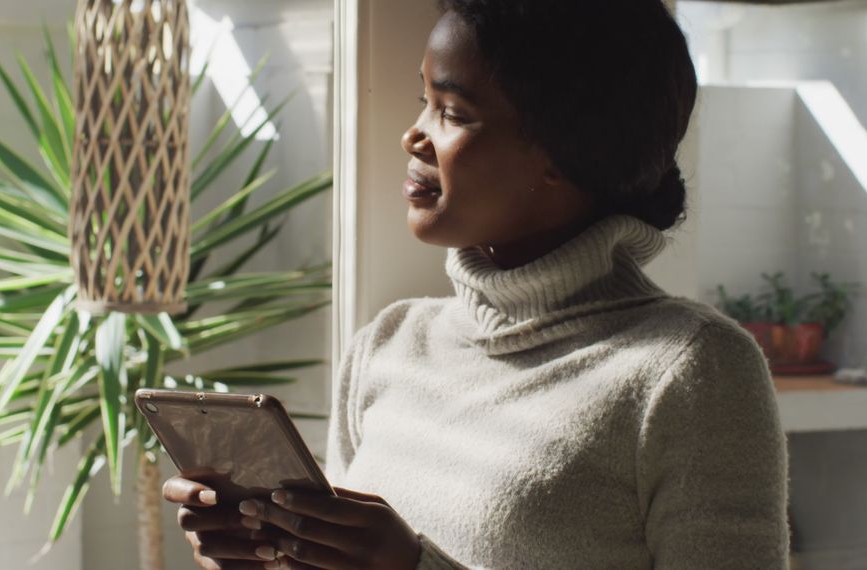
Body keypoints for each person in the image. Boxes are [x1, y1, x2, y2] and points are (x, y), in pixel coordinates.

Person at [162, 0, 790, 568]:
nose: (413, 135)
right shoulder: (389, 341)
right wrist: (260, 557)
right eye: (423, 101)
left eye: (453, 112)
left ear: (561, 152)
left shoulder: (690, 369)